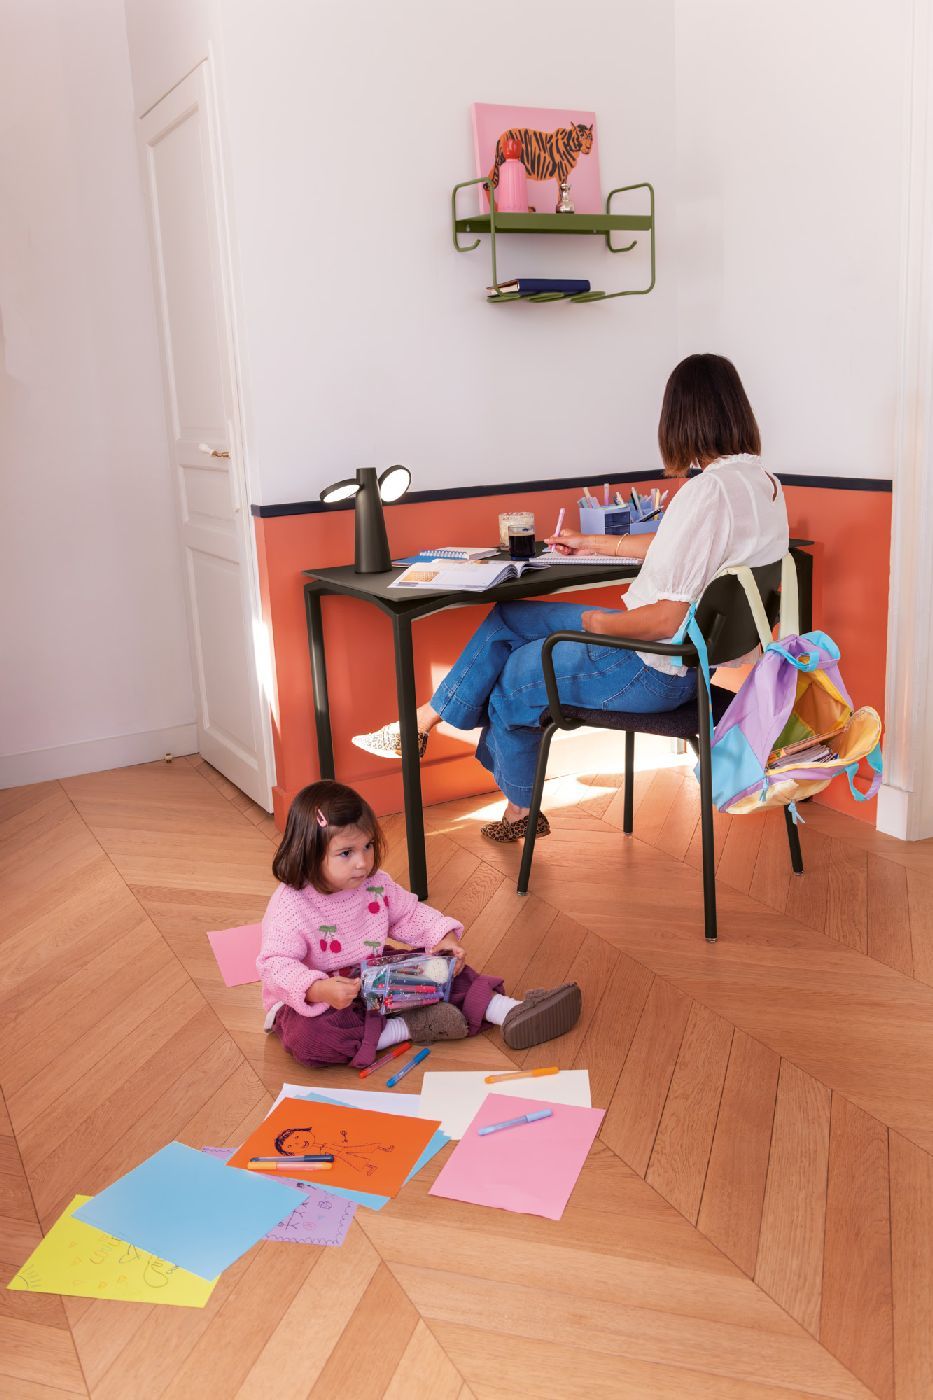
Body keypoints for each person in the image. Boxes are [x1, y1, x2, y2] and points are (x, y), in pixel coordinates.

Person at [352, 354, 790, 842]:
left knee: (510, 679)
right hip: (690, 664)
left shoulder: (706, 491)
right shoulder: (761, 484)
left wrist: (594, 626)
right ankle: (421, 722)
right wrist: (591, 542)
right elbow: (680, 552)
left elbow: (666, 618)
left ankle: (518, 809)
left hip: (653, 668)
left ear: (681, 418)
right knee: (510, 616)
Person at [258, 779, 581, 1069]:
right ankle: (408, 1027)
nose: (362, 862)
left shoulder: (375, 883)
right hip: (320, 996)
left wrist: (442, 938)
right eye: (346, 853)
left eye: (367, 846)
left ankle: (509, 1011)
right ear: (309, 853)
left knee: (445, 972)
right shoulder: (292, 903)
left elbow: (409, 914)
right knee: (310, 1038)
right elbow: (276, 964)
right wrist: (317, 989)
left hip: (375, 974)